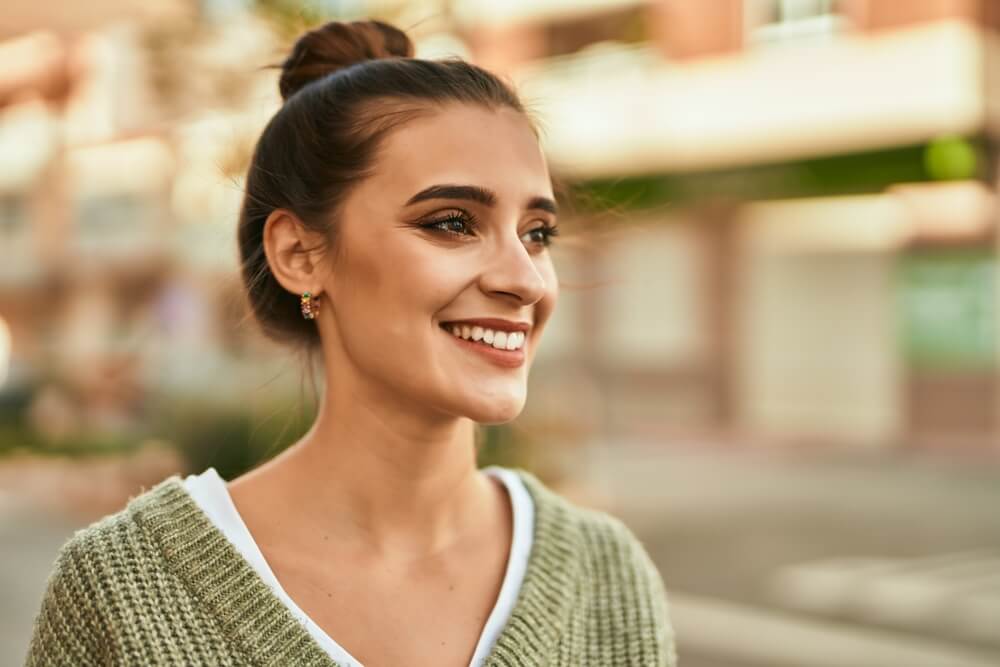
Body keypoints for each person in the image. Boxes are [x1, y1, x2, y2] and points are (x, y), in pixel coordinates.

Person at [24, 19, 676, 666]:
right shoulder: (125, 593)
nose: (525, 280)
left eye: (537, 232)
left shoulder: (607, 577)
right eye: (452, 222)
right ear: (300, 252)